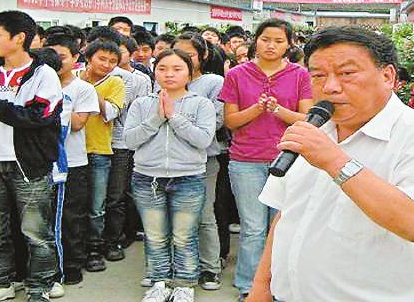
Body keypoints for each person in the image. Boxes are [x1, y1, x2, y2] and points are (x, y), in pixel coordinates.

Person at [248, 26, 414, 301]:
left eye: (347, 74)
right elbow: (286, 214)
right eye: (318, 76)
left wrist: (335, 160)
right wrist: (260, 287)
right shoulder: (316, 130)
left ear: (388, 76)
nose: (330, 87)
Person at [0, 10, 63, 302]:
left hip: (29, 165)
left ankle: (39, 287)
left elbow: (39, 116)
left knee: (35, 233)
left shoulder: (43, 74)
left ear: (19, 38)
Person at [218, 19, 312, 300]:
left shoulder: (299, 75)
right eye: (265, 39)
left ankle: (280, 287)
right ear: (255, 40)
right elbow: (231, 121)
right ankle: (249, 286)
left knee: (282, 227)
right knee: (253, 228)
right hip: (245, 160)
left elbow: (308, 119)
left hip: (288, 160)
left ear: (289, 45)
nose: (271, 46)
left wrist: (279, 110)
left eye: (279, 41)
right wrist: (257, 110)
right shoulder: (236, 74)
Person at [125, 49, 216, 302]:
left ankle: (185, 283)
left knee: (184, 235)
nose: (169, 74)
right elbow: (130, 140)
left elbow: (203, 140)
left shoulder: (201, 103)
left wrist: (173, 117)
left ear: (189, 72)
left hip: (188, 178)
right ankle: (159, 282)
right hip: (147, 178)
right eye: (163, 68)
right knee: (154, 235)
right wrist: (156, 119)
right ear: (155, 71)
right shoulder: (142, 104)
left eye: (177, 69)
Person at [44, 35, 100, 286]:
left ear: (76, 58)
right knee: (42, 217)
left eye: (62, 57)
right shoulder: (36, 85)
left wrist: (52, 106)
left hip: (73, 162)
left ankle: (72, 264)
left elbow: (78, 123)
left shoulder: (83, 89)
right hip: (40, 160)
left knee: (71, 216)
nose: (55, 62)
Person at [174, 34, 225, 291]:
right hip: (169, 161)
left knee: (205, 216)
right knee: (176, 219)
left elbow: (214, 123)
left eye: (189, 55)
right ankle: (181, 266)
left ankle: (210, 267)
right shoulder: (166, 79)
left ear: (203, 55)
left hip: (204, 160)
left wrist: (176, 123)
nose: (181, 60)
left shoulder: (213, 82)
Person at [77, 40, 126, 273]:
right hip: (72, 152)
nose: (107, 65)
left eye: (112, 61)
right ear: (88, 57)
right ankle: (75, 249)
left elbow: (110, 112)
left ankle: (95, 248)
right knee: (74, 204)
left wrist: (87, 88)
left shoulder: (115, 82)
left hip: (99, 150)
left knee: (98, 205)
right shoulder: (71, 76)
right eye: (102, 59)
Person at [105, 37, 151, 262]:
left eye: (118, 52)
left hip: (122, 143)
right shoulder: (86, 76)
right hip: (97, 142)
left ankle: (120, 236)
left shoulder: (137, 79)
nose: (112, 58)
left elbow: (139, 112)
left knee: (118, 194)